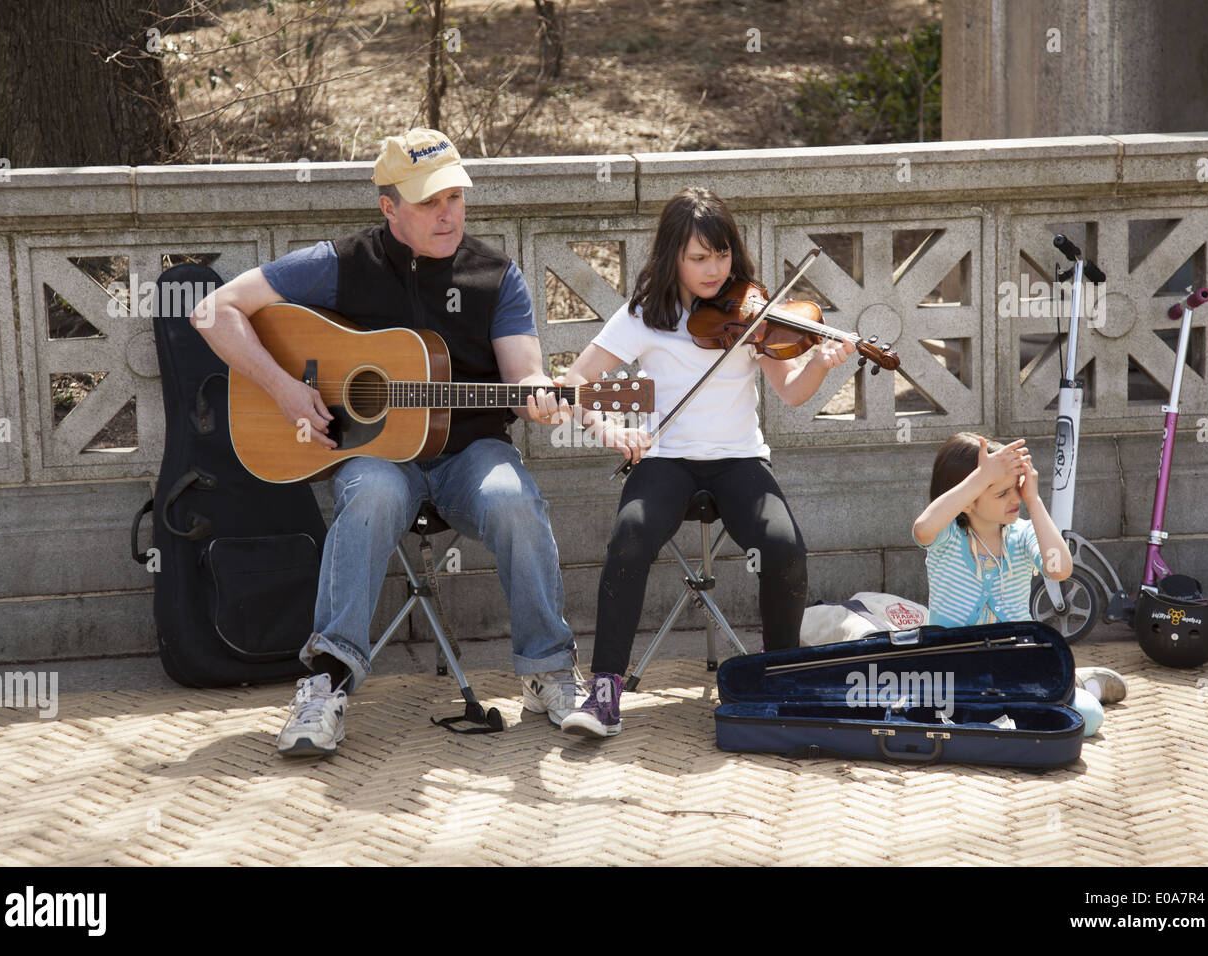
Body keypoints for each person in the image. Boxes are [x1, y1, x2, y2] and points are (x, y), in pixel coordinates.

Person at [192, 128, 581, 756]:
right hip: (376, 457)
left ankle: (549, 669)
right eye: (429, 201)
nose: (447, 213)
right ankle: (326, 683)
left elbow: (525, 371)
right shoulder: (340, 264)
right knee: (369, 493)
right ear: (388, 207)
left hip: (470, 454)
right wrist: (287, 387)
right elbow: (212, 312)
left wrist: (541, 394)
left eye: (454, 196)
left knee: (512, 497)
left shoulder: (495, 277)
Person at [551, 186, 857, 738]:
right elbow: (576, 381)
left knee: (784, 546)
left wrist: (822, 365)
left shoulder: (753, 310)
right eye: (699, 258)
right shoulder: (645, 314)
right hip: (665, 461)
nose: (714, 269)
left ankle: (777, 679)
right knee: (629, 538)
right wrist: (608, 428)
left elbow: (789, 391)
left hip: (739, 459)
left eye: (721, 255)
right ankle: (604, 695)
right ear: (672, 257)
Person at [912, 433, 1126, 732]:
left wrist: (1033, 500)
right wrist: (981, 477)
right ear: (966, 502)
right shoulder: (948, 537)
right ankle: (1070, 683)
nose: (1014, 499)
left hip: (1014, 668)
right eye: (1001, 494)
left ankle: (1080, 685)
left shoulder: (1022, 535)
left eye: (1016, 489)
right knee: (933, 713)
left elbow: (1060, 569)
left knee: (1088, 718)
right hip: (952, 672)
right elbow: (923, 530)